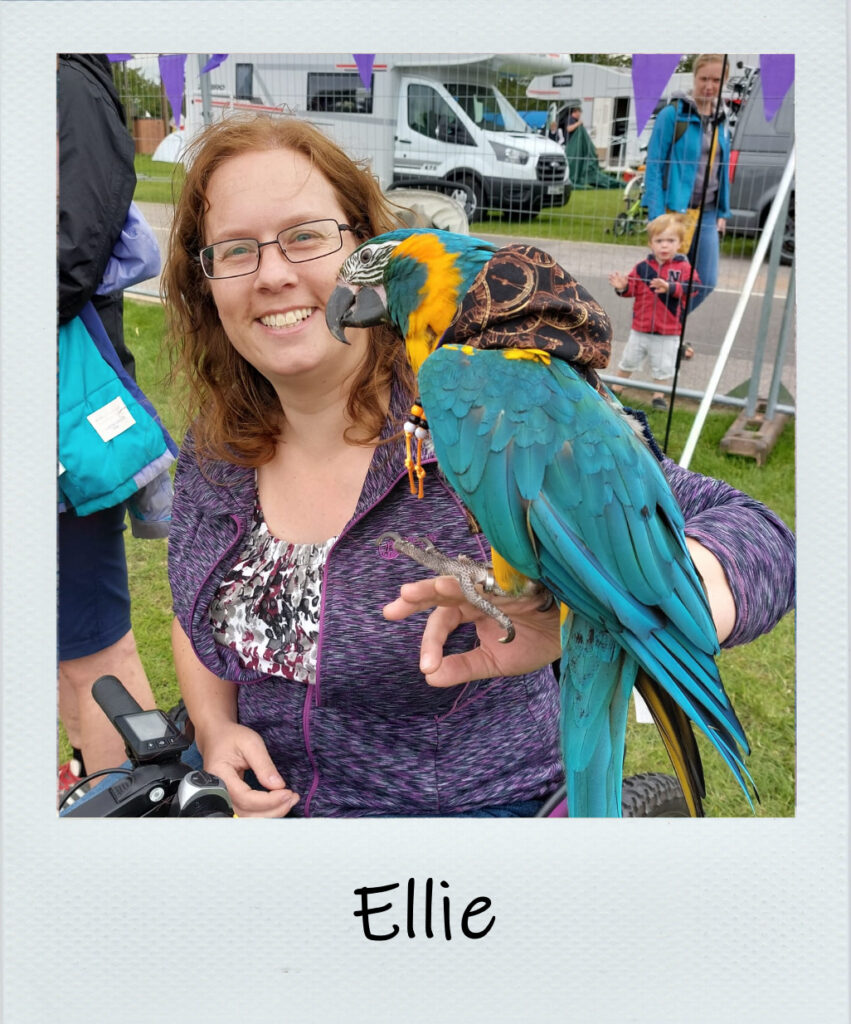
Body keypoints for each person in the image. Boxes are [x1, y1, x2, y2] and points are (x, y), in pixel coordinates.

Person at [163, 113, 795, 819]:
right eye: (236, 250)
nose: (275, 274)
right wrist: (217, 731)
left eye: (305, 236)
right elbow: (194, 621)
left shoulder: (484, 393)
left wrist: (643, 601)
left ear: (366, 240)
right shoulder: (214, 448)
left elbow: (759, 535)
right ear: (206, 283)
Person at [57, 53, 158, 797]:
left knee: (90, 637)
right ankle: (96, 785)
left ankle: (132, 806)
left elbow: (73, 254)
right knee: (63, 638)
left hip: (65, 420)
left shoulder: (64, 85)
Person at [643, 53, 732, 312]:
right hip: (674, 212)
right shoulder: (673, 115)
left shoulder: (722, 119)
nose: (709, 85)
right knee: (667, 279)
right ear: (694, 77)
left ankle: (670, 328)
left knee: (705, 281)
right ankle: (660, 334)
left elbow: (721, 168)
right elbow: (654, 166)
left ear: (724, 81)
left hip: (708, 212)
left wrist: (723, 211)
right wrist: (657, 216)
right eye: (704, 78)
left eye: (716, 80)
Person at [608, 213, 699, 410]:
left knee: (663, 366)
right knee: (628, 360)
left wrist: (671, 288)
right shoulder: (642, 268)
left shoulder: (684, 267)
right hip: (640, 327)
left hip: (668, 330)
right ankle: (616, 388)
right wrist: (622, 286)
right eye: (659, 241)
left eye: (670, 241)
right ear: (651, 243)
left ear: (680, 244)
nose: (664, 246)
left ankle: (659, 396)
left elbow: (694, 287)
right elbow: (631, 289)